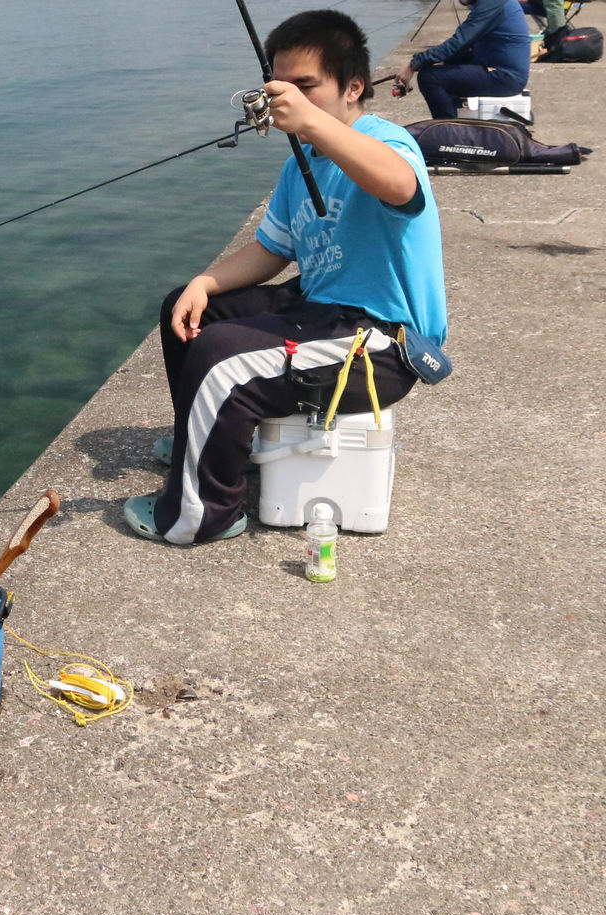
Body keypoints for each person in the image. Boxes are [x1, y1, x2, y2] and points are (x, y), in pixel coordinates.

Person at [123, 9, 447, 546]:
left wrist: (313, 122)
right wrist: (203, 283)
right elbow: (271, 249)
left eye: (307, 87)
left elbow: (397, 185)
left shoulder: (385, 140)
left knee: (222, 357)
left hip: (382, 342)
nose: (290, 100)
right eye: (282, 87)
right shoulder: (301, 162)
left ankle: (198, 517)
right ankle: (204, 445)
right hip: (320, 308)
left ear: (353, 87)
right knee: (186, 307)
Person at [393, 0, 530, 119]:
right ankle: (457, 122)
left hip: (506, 76)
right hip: (498, 68)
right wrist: (436, 62)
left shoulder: (492, 3)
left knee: (430, 78)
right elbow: (465, 47)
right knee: (440, 69)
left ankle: (448, 133)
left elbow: (458, 43)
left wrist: (413, 64)